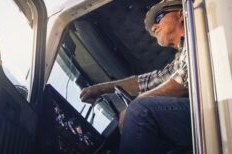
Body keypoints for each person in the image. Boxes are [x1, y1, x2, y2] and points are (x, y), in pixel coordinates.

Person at [80, 0, 192, 153]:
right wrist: (101, 88)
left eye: (158, 17)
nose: (153, 27)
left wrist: (137, 103)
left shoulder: (198, 33)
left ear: (180, 13)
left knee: (140, 111)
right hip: (200, 116)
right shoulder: (179, 59)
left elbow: (182, 82)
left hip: (217, 108)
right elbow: (148, 81)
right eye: (153, 28)